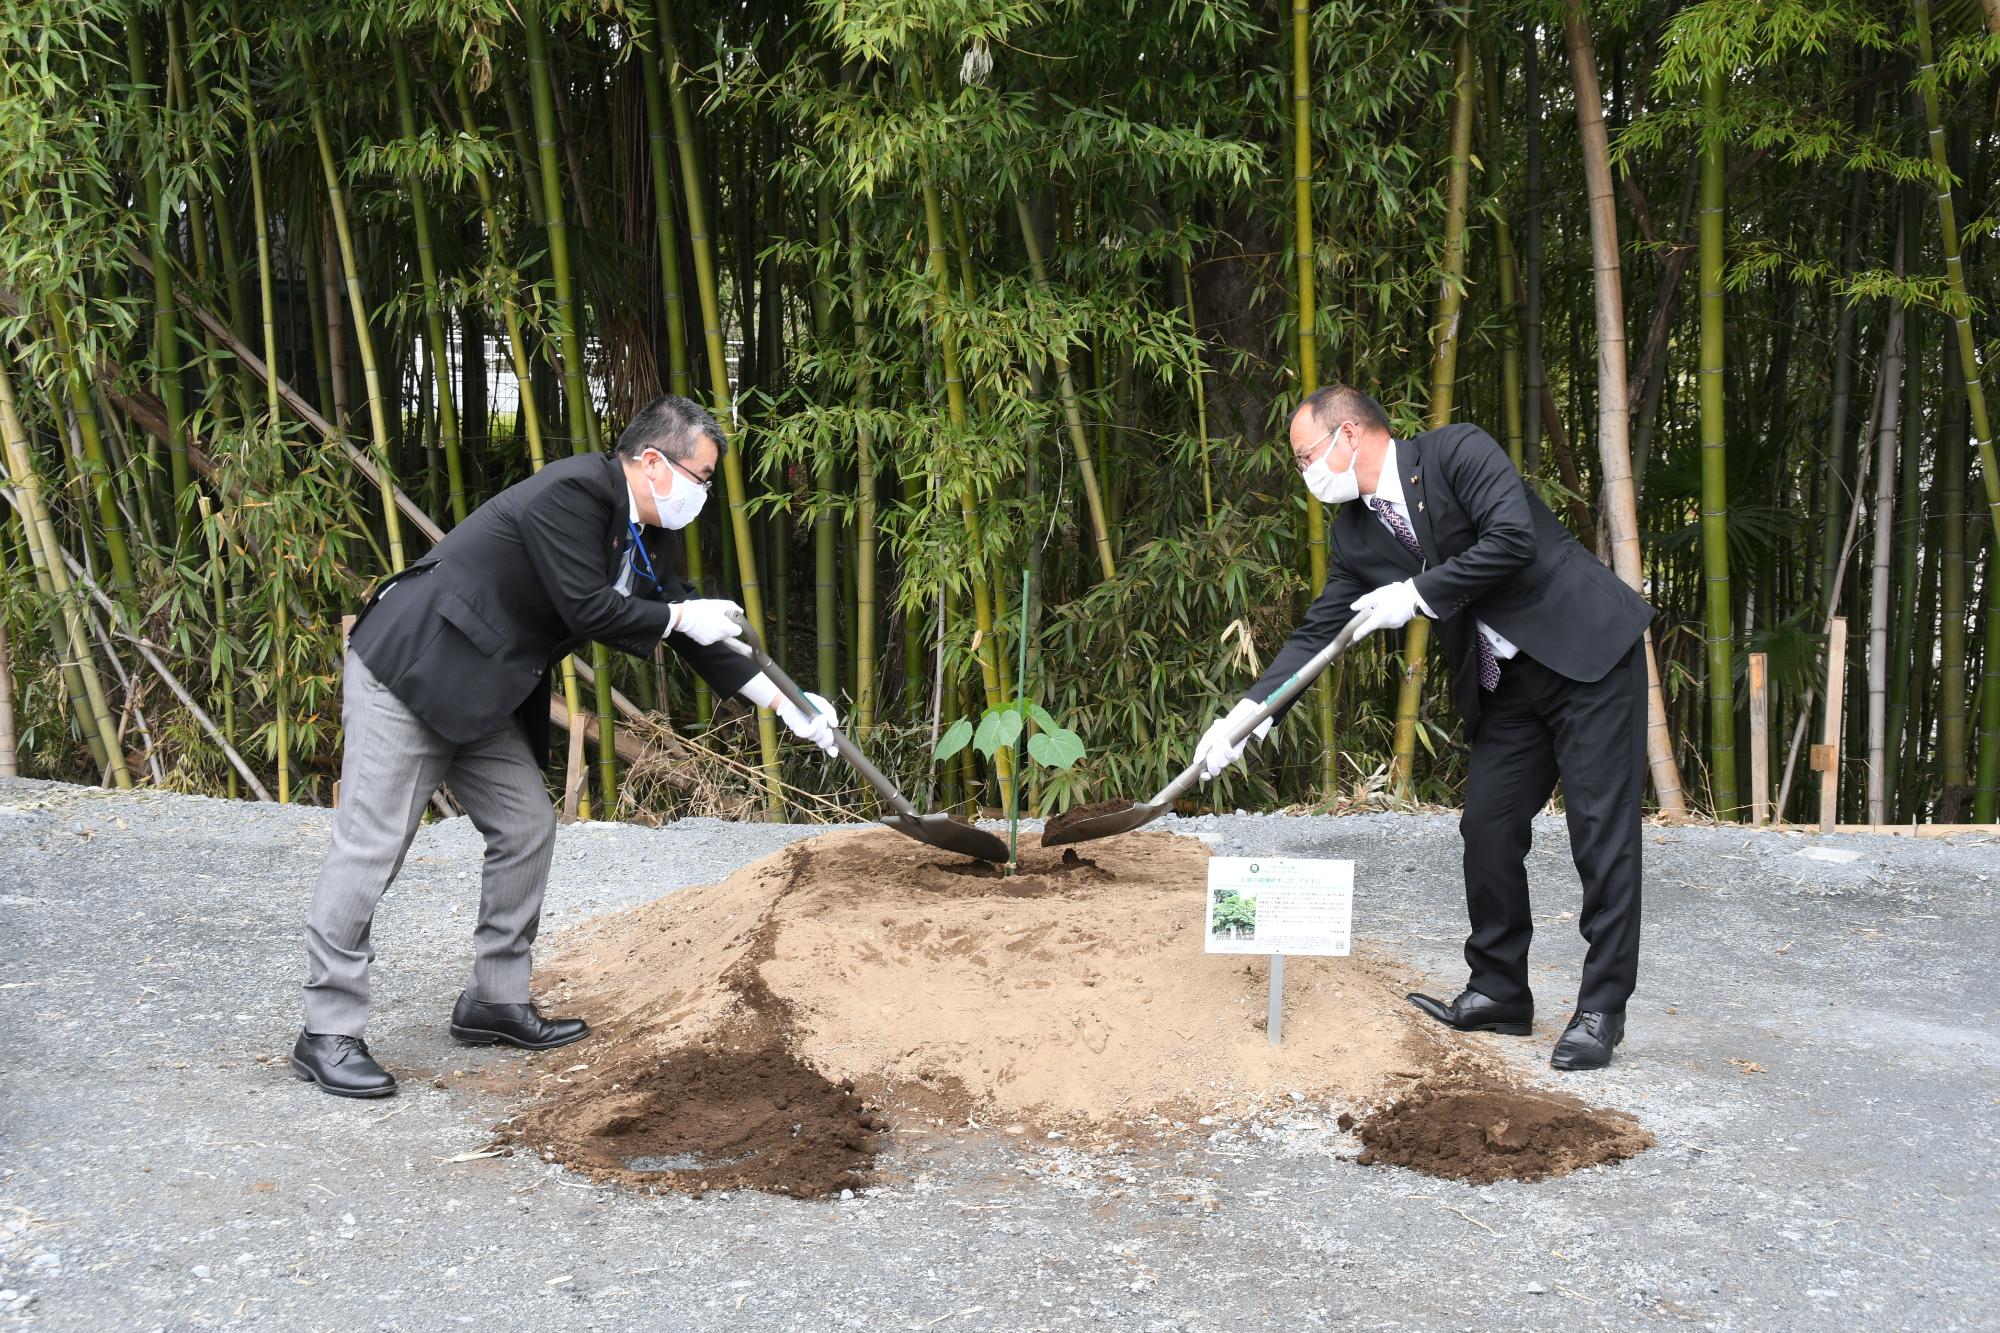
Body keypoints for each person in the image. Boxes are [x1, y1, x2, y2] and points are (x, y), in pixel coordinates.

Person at [291, 395, 839, 1098]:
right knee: (372, 844)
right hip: (415, 665)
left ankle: (494, 999)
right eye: (700, 477)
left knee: (525, 825)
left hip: (485, 682)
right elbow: (590, 607)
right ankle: (326, 1030)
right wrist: (679, 614)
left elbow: (691, 633)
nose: (701, 494)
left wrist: (785, 704)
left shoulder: (648, 533)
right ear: (651, 460)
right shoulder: (572, 492)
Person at [1193, 386, 1653, 1071]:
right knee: (1488, 826)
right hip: (1508, 685)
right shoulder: (1354, 531)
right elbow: (1323, 630)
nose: (1305, 473)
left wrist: (1416, 594)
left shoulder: (1456, 452)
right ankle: (1499, 991)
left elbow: (1512, 540)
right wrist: (1245, 717)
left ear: (1348, 434)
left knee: (1600, 832)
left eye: (1305, 456)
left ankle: (1601, 1010)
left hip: (1586, 653)